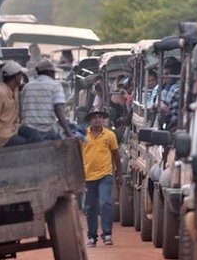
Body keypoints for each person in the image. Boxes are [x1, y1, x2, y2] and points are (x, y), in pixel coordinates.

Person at [0, 61, 43, 150]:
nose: (22, 77)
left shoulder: (14, 89)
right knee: (24, 144)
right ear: (16, 77)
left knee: (36, 136)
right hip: (1, 135)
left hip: (14, 128)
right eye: (20, 75)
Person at [82, 108, 123, 247]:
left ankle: (107, 234)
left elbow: (116, 155)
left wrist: (119, 173)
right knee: (90, 208)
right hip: (87, 176)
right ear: (90, 120)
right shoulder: (83, 135)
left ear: (103, 119)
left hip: (105, 174)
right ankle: (92, 236)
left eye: (100, 117)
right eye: (94, 117)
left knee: (106, 203)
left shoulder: (109, 135)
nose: (97, 119)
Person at [21, 58, 72, 139]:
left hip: (28, 131)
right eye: (54, 73)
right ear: (49, 72)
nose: (55, 75)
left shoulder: (27, 86)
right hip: (46, 131)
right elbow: (59, 110)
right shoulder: (55, 85)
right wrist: (68, 133)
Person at [160, 56, 181, 131]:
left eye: (168, 74)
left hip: (173, 126)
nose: (164, 77)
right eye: (163, 74)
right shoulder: (166, 86)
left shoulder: (177, 89)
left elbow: (173, 115)